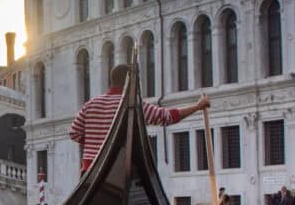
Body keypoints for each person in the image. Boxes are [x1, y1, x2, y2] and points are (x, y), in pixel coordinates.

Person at [69, 64, 210, 173]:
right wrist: (198, 106)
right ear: (130, 82)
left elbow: (74, 133)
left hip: (90, 168)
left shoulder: (90, 104)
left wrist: (97, 141)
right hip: (121, 169)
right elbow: (167, 117)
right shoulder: (135, 106)